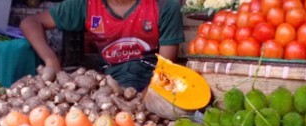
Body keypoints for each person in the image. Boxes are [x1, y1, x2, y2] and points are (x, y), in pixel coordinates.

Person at [20, 0, 185, 91]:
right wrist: (51, 60)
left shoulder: (164, 5)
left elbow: (166, 69)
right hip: (111, 84)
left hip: (154, 82)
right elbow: (31, 22)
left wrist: (144, 100)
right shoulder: (86, 4)